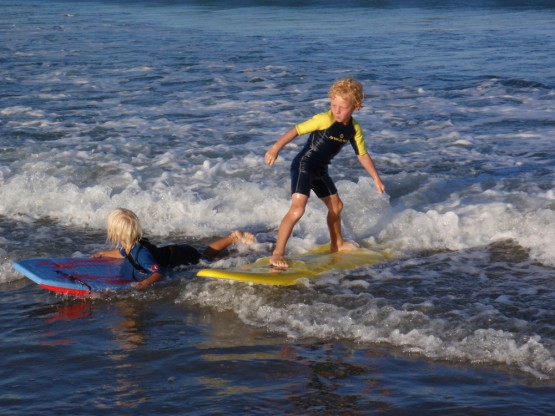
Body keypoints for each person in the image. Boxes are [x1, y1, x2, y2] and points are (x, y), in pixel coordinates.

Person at [264, 77, 385, 268]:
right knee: (298, 209)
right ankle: (278, 253)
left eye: (342, 107)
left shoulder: (354, 129)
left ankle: (337, 244)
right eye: (333, 104)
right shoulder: (324, 119)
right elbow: (296, 130)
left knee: (336, 207)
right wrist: (275, 148)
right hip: (304, 166)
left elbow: (362, 155)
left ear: (356, 106)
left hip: (320, 170)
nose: (336, 110)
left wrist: (376, 178)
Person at [93, 208, 256, 289]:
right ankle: (233, 238)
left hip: (181, 256)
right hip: (176, 251)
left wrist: (144, 284)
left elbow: (159, 272)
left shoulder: (141, 254)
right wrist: (102, 254)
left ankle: (238, 249)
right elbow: (122, 253)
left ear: (115, 233)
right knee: (204, 254)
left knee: (209, 260)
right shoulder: (130, 246)